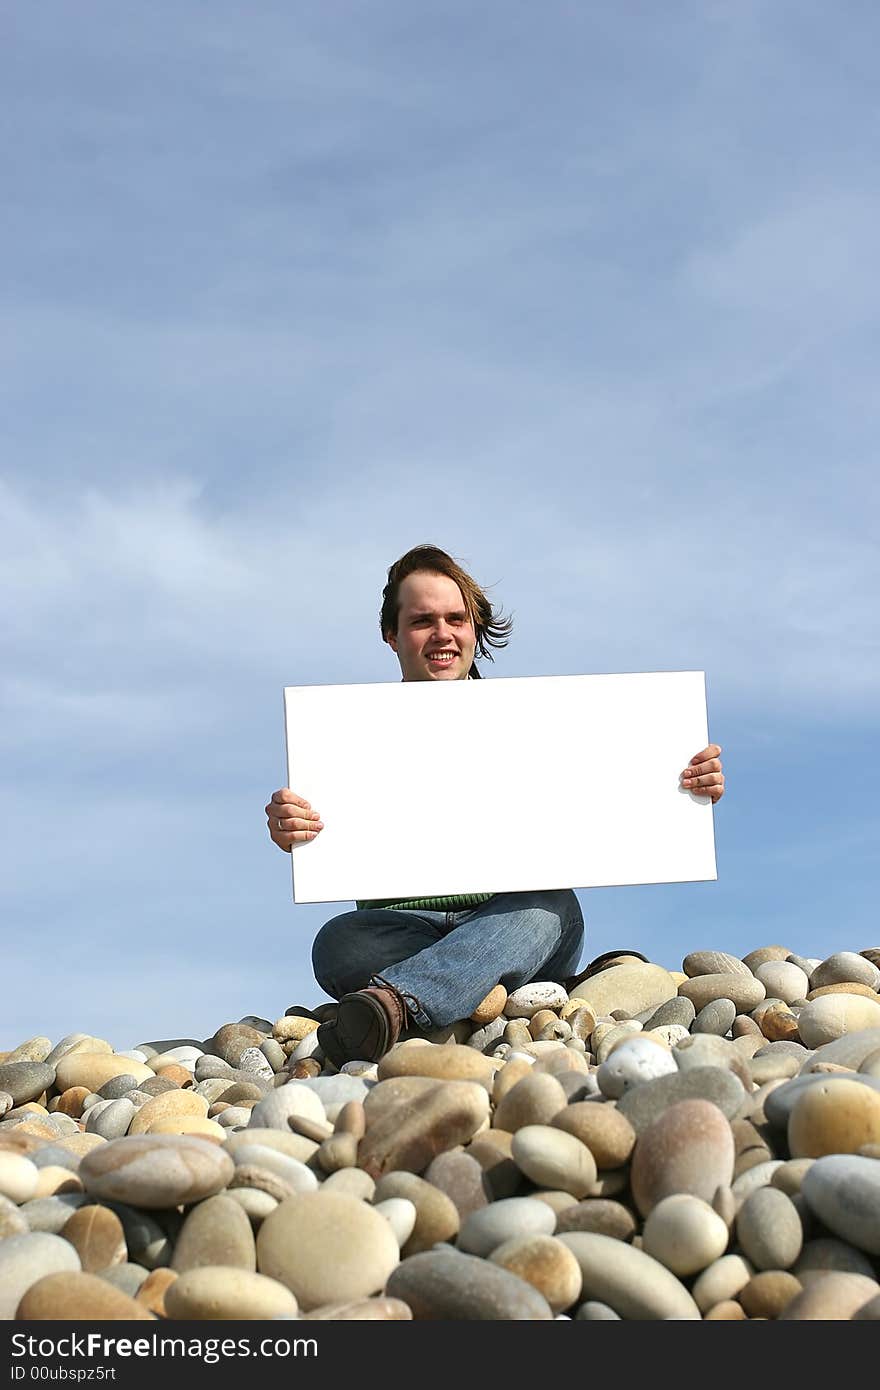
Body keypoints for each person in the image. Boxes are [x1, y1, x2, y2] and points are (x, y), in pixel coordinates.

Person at [265, 543, 725, 1068]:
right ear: (391, 635)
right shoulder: (342, 736)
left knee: (549, 909)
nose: (442, 633)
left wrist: (684, 783)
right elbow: (316, 826)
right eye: (422, 621)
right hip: (402, 929)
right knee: (337, 944)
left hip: (512, 918)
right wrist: (291, 824)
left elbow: (618, 778)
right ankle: (511, 988)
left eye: (456, 619)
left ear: (474, 628)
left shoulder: (534, 722)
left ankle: (398, 1005)